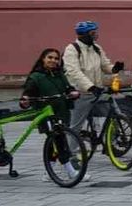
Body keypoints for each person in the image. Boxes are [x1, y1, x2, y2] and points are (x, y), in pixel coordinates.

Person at [20, 48, 82, 179]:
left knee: (53, 141)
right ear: (43, 59)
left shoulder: (59, 74)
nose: (53, 60)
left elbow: (68, 88)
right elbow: (27, 93)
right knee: (59, 140)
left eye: (56, 58)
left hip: (61, 112)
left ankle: (49, 172)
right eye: (50, 57)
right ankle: (70, 171)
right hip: (46, 114)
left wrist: (73, 92)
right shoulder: (36, 77)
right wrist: (25, 101)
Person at [63, 21, 123, 140]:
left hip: (97, 91)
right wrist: (90, 87)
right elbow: (74, 72)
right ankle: (72, 151)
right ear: (83, 35)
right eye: (92, 33)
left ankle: (113, 142)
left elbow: (105, 65)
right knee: (75, 126)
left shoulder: (96, 48)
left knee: (115, 113)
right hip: (81, 93)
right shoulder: (71, 49)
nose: (96, 35)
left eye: (96, 32)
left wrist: (114, 69)